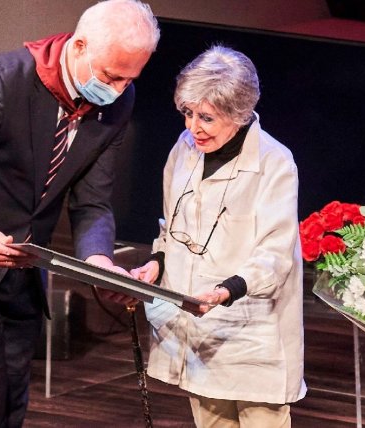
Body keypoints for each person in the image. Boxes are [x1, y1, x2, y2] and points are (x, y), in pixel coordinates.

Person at [0, 1, 159, 426]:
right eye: (111, 76)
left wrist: (99, 264)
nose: (116, 90)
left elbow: (93, 199)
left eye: (130, 79)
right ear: (78, 46)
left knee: (10, 410)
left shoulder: (119, 102)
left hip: (23, 277)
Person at [131, 45, 306, 427]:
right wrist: (156, 264)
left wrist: (226, 291)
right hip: (197, 329)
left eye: (206, 117)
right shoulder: (184, 149)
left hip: (251, 329)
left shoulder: (275, 162)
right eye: (188, 113)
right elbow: (172, 228)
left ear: (238, 114)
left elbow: (276, 253)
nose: (193, 127)